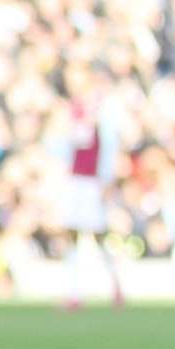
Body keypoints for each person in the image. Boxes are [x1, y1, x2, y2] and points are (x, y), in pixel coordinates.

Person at [55, 66, 125, 311]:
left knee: (98, 235)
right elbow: (66, 148)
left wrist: (107, 180)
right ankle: (74, 292)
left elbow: (108, 147)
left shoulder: (102, 112)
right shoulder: (72, 112)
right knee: (72, 235)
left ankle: (115, 284)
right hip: (76, 181)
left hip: (93, 182)